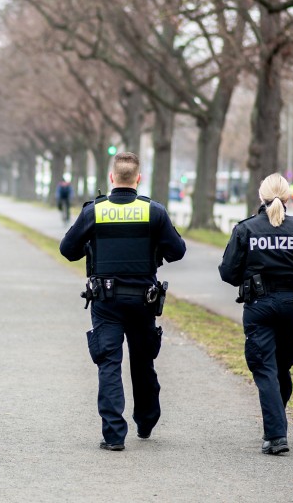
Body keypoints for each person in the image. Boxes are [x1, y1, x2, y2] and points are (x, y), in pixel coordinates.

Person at [59, 152, 186, 451]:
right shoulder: (154, 211)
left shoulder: (95, 211)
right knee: (143, 362)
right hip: (143, 301)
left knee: (109, 364)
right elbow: (177, 251)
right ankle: (146, 421)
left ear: (112, 178)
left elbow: (68, 249)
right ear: (138, 179)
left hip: (107, 300)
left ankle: (114, 436)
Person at [218, 173, 293, 455]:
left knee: (267, 369)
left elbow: (228, 272)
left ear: (260, 196)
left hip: (259, 306)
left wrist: (251, 273)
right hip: (292, 305)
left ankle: (276, 435)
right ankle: (276, 424)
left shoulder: (246, 229)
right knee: (279, 368)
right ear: (288, 197)